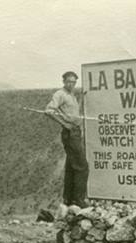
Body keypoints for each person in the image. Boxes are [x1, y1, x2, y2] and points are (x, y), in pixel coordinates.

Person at [45, 71, 89, 208]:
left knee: (71, 167)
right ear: (63, 81)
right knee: (82, 167)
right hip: (70, 133)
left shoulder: (71, 95)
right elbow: (49, 110)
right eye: (69, 81)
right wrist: (65, 124)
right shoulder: (60, 94)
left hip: (75, 132)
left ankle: (68, 200)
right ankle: (79, 200)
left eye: (74, 82)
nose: (71, 84)